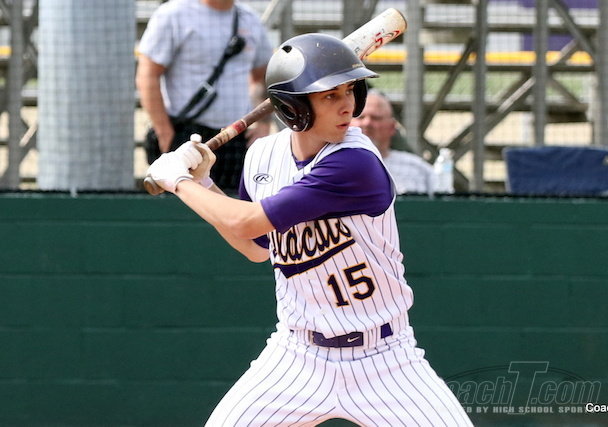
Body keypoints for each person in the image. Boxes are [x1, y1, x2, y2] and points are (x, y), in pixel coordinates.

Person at [146, 33, 472, 426]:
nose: (347, 105)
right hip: (296, 355)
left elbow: (242, 220)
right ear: (294, 107)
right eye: (330, 95)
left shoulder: (355, 162)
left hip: (384, 359)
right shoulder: (262, 156)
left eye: (349, 91)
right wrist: (203, 182)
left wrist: (179, 182)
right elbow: (255, 245)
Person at [136, 0, 273, 192]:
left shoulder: (249, 19)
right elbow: (148, 75)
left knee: (229, 204)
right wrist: (164, 131)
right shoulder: (172, 14)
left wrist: (264, 124)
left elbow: (263, 76)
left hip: (234, 138)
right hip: (185, 136)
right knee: (180, 204)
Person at [352, 89, 435, 195]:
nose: (367, 123)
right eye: (360, 117)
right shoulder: (334, 164)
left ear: (392, 127)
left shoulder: (418, 169)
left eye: (376, 118)